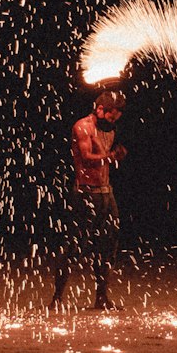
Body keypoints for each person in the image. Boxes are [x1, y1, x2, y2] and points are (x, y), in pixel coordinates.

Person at [49, 89, 127, 312]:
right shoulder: (82, 127)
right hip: (85, 193)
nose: (112, 122)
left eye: (116, 119)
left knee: (108, 244)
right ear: (100, 110)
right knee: (75, 244)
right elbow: (86, 158)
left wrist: (114, 156)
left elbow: (105, 159)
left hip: (105, 193)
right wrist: (110, 157)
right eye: (111, 117)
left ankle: (101, 297)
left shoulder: (108, 129)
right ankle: (57, 298)